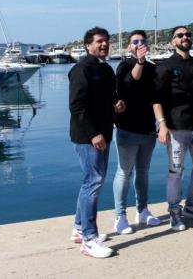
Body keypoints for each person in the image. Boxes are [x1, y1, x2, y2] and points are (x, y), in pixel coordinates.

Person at [69, 27, 126, 259]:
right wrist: (93, 134)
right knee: (93, 182)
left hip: (103, 133)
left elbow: (109, 97)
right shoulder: (81, 69)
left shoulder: (105, 69)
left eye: (106, 41)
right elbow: (77, 106)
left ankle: (78, 228)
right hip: (88, 137)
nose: (104, 44)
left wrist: (117, 104)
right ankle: (89, 239)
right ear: (88, 45)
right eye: (99, 41)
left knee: (92, 181)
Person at [153, 26, 193, 231]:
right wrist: (162, 125)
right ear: (173, 41)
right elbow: (156, 100)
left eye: (187, 34)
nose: (185, 37)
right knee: (175, 172)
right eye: (180, 35)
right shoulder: (165, 67)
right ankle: (174, 211)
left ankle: (192, 205)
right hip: (176, 129)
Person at [112, 30, 161, 235]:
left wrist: (161, 123)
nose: (139, 43)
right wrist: (139, 62)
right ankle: (120, 216)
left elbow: (157, 96)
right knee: (124, 172)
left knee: (143, 171)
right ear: (129, 46)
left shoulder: (152, 68)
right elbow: (130, 83)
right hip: (127, 129)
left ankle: (142, 210)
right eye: (135, 41)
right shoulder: (124, 66)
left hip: (148, 129)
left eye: (142, 41)